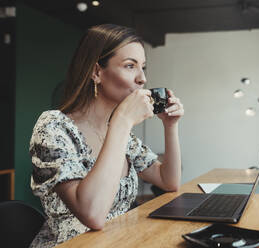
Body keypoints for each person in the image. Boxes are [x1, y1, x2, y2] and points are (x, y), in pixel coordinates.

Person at [29, 24, 184, 247]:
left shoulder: (123, 134)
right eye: (130, 66)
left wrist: (171, 127)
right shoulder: (53, 127)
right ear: (96, 72)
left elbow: (169, 181)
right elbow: (93, 215)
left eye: (143, 68)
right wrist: (122, 122)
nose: (142, 79)